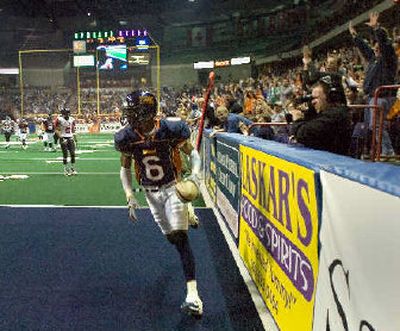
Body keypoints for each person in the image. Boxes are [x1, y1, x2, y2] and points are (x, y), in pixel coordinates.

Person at [114, 90, 203, 317]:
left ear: (147, 112)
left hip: (172, 187)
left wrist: (194, 175)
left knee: (181, 238)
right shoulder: (127, 136)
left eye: (134, 112)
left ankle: (193, 296)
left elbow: (193, 154)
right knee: (171, 238)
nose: (130, 116)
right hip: (150, 193)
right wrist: (129, 195)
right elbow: (124, 168)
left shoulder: (170, 129)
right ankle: (188, 210)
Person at [349, 12, 398, 157]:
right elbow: (365, 48)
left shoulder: (389, 59)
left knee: (376, 125)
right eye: (374, 47)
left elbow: (385, 45)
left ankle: (388, 152)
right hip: (371, 98)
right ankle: (376, 151)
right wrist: (355, 36)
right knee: (372, 126)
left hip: (383, 98)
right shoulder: (373, 59)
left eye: (378, 47)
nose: (376, 49)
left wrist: (377, 28)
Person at [290, 77, 352, 156]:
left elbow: (303, 134)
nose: (312, 102)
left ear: (330, 97)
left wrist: (297, 120)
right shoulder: (328, 113)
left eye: (315, 98)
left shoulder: (335, 115)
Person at [55, 108, 77, 176]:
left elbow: (73, 129)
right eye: (65, 113)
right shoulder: (59, 119)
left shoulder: (72, 119)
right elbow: (56, 130)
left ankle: (72, 168)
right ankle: (65, 169)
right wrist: (61, 137)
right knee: (65, 154)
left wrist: (75, 138)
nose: (66, 114)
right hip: (63, 137)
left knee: (73, 154)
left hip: (70, 137)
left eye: (67, 113)